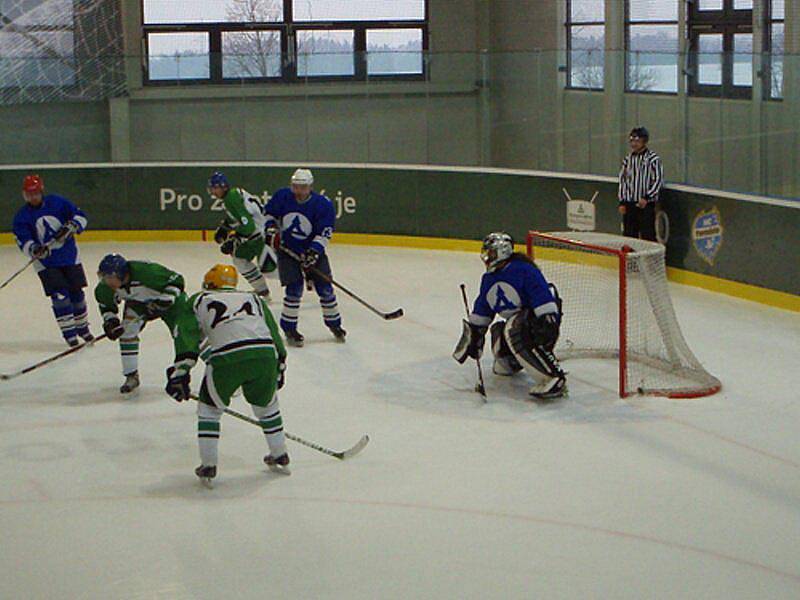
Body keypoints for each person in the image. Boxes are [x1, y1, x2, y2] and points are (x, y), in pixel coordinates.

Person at [164, 264, 290, 486]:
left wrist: (180, 372)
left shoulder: (198, 299)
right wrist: (280, 364)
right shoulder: (253, 299)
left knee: (209, 410)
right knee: (268, 406)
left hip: (227, 358)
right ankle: (280, 454)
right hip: (265, 355)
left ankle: (209, 465)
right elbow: (273, 332)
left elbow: (187, 336)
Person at [453, 232, 567, 400]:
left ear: (502, 252)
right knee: (500, 341)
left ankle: (553, 377)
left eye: (490, 253)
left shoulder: (523, 269)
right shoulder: (489, 279)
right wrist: (475, 334)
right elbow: (483, 308)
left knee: (514, 325)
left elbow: (541, 294)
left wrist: (547, 320)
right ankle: (515, 361)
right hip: (519, 326)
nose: (486, 257)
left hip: (540, 326)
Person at [262, 168, 345, 347]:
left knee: (325, 289)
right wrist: (270, 229)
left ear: (310, 187)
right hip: (288, 251)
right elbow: (268, 214)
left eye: (303, 187)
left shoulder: (322, 204)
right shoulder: (283, 196)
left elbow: (324, 232)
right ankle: (289, 328)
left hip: (313, 251)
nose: (298, 191)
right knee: (294, 290)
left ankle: (334, 324)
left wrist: (314, 251)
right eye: (295, 186)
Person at [95, 254, 195, 394]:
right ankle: (131, 376)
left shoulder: (147, 272)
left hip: (172, 304)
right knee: (126, 333)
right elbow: (106, 306)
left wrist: (165, 299)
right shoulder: (105, 287)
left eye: (110, 277)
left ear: (122, 274)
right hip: (140, 304)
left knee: (186, 335)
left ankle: (212, 369)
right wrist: (110, 321)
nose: (107, 281)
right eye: (104, 277)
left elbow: (177, 280)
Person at [12, 174, 93, 347]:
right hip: (46, 263)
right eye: (29, 194)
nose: (33, 197)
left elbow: (81, 216)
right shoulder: (22, 216)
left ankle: (83, 329)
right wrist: (34, 248)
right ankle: (70, 334)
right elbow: (22, 240)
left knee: (77, 294)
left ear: (41, 191)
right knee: (60, 295)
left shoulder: (58, 202)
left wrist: (72, 226)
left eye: (35, 193)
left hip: (70, 257)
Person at [209, 171, 275, 300]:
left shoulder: (230, 198)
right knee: (242, 258)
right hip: (261, 232)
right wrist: (227, 226)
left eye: (215, 188)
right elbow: (244, 217)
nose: (213, 192)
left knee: (273, 270)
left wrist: (235, 239)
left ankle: (263, 291)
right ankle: (262, 291)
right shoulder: (234, 194)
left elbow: (248, 226)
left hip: (259, 235)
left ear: (223, 186)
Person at [618, 127, 664, 241]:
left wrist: (646, 197)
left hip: (645, 205)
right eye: (632, 141)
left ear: (644, 141)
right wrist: (622, 202)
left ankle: (649, 259)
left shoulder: (653, 159)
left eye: (637, 141)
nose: (634, 144)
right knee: (629, 236)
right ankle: (631, 258)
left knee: (647, 235)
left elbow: (658, 180)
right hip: (630, 204)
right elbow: (623, 180)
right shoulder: (627, 159)